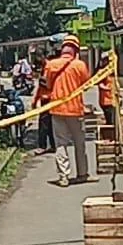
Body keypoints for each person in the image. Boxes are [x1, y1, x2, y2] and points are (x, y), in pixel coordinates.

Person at [44, 35, 92, 187]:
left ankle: (63, 176)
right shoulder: (79, 65)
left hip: (57, 108)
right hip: (75, 109)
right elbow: (87, 83)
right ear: (76, 50)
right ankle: (82, 173)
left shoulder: (51, 65)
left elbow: (47, 83)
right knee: (79, 143)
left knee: (61, 143)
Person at [32, 54, 54, 154]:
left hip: (50, 99)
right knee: (49, 124)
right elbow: (40, 88)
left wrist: (43, 82)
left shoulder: (49, 68)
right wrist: (35, 100)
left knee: (44, 124)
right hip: (45, 99)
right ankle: (53, 145)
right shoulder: (45, 68)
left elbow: (48, 85)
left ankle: (42, 146)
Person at [97, 52, 117, 125]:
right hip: (106, 101)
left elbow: (115, 84)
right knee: (110, 122)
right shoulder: (102, 72)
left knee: (114, 121)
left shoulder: (112, 71)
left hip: (113, 100)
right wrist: (107, 89)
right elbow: (100, 84)